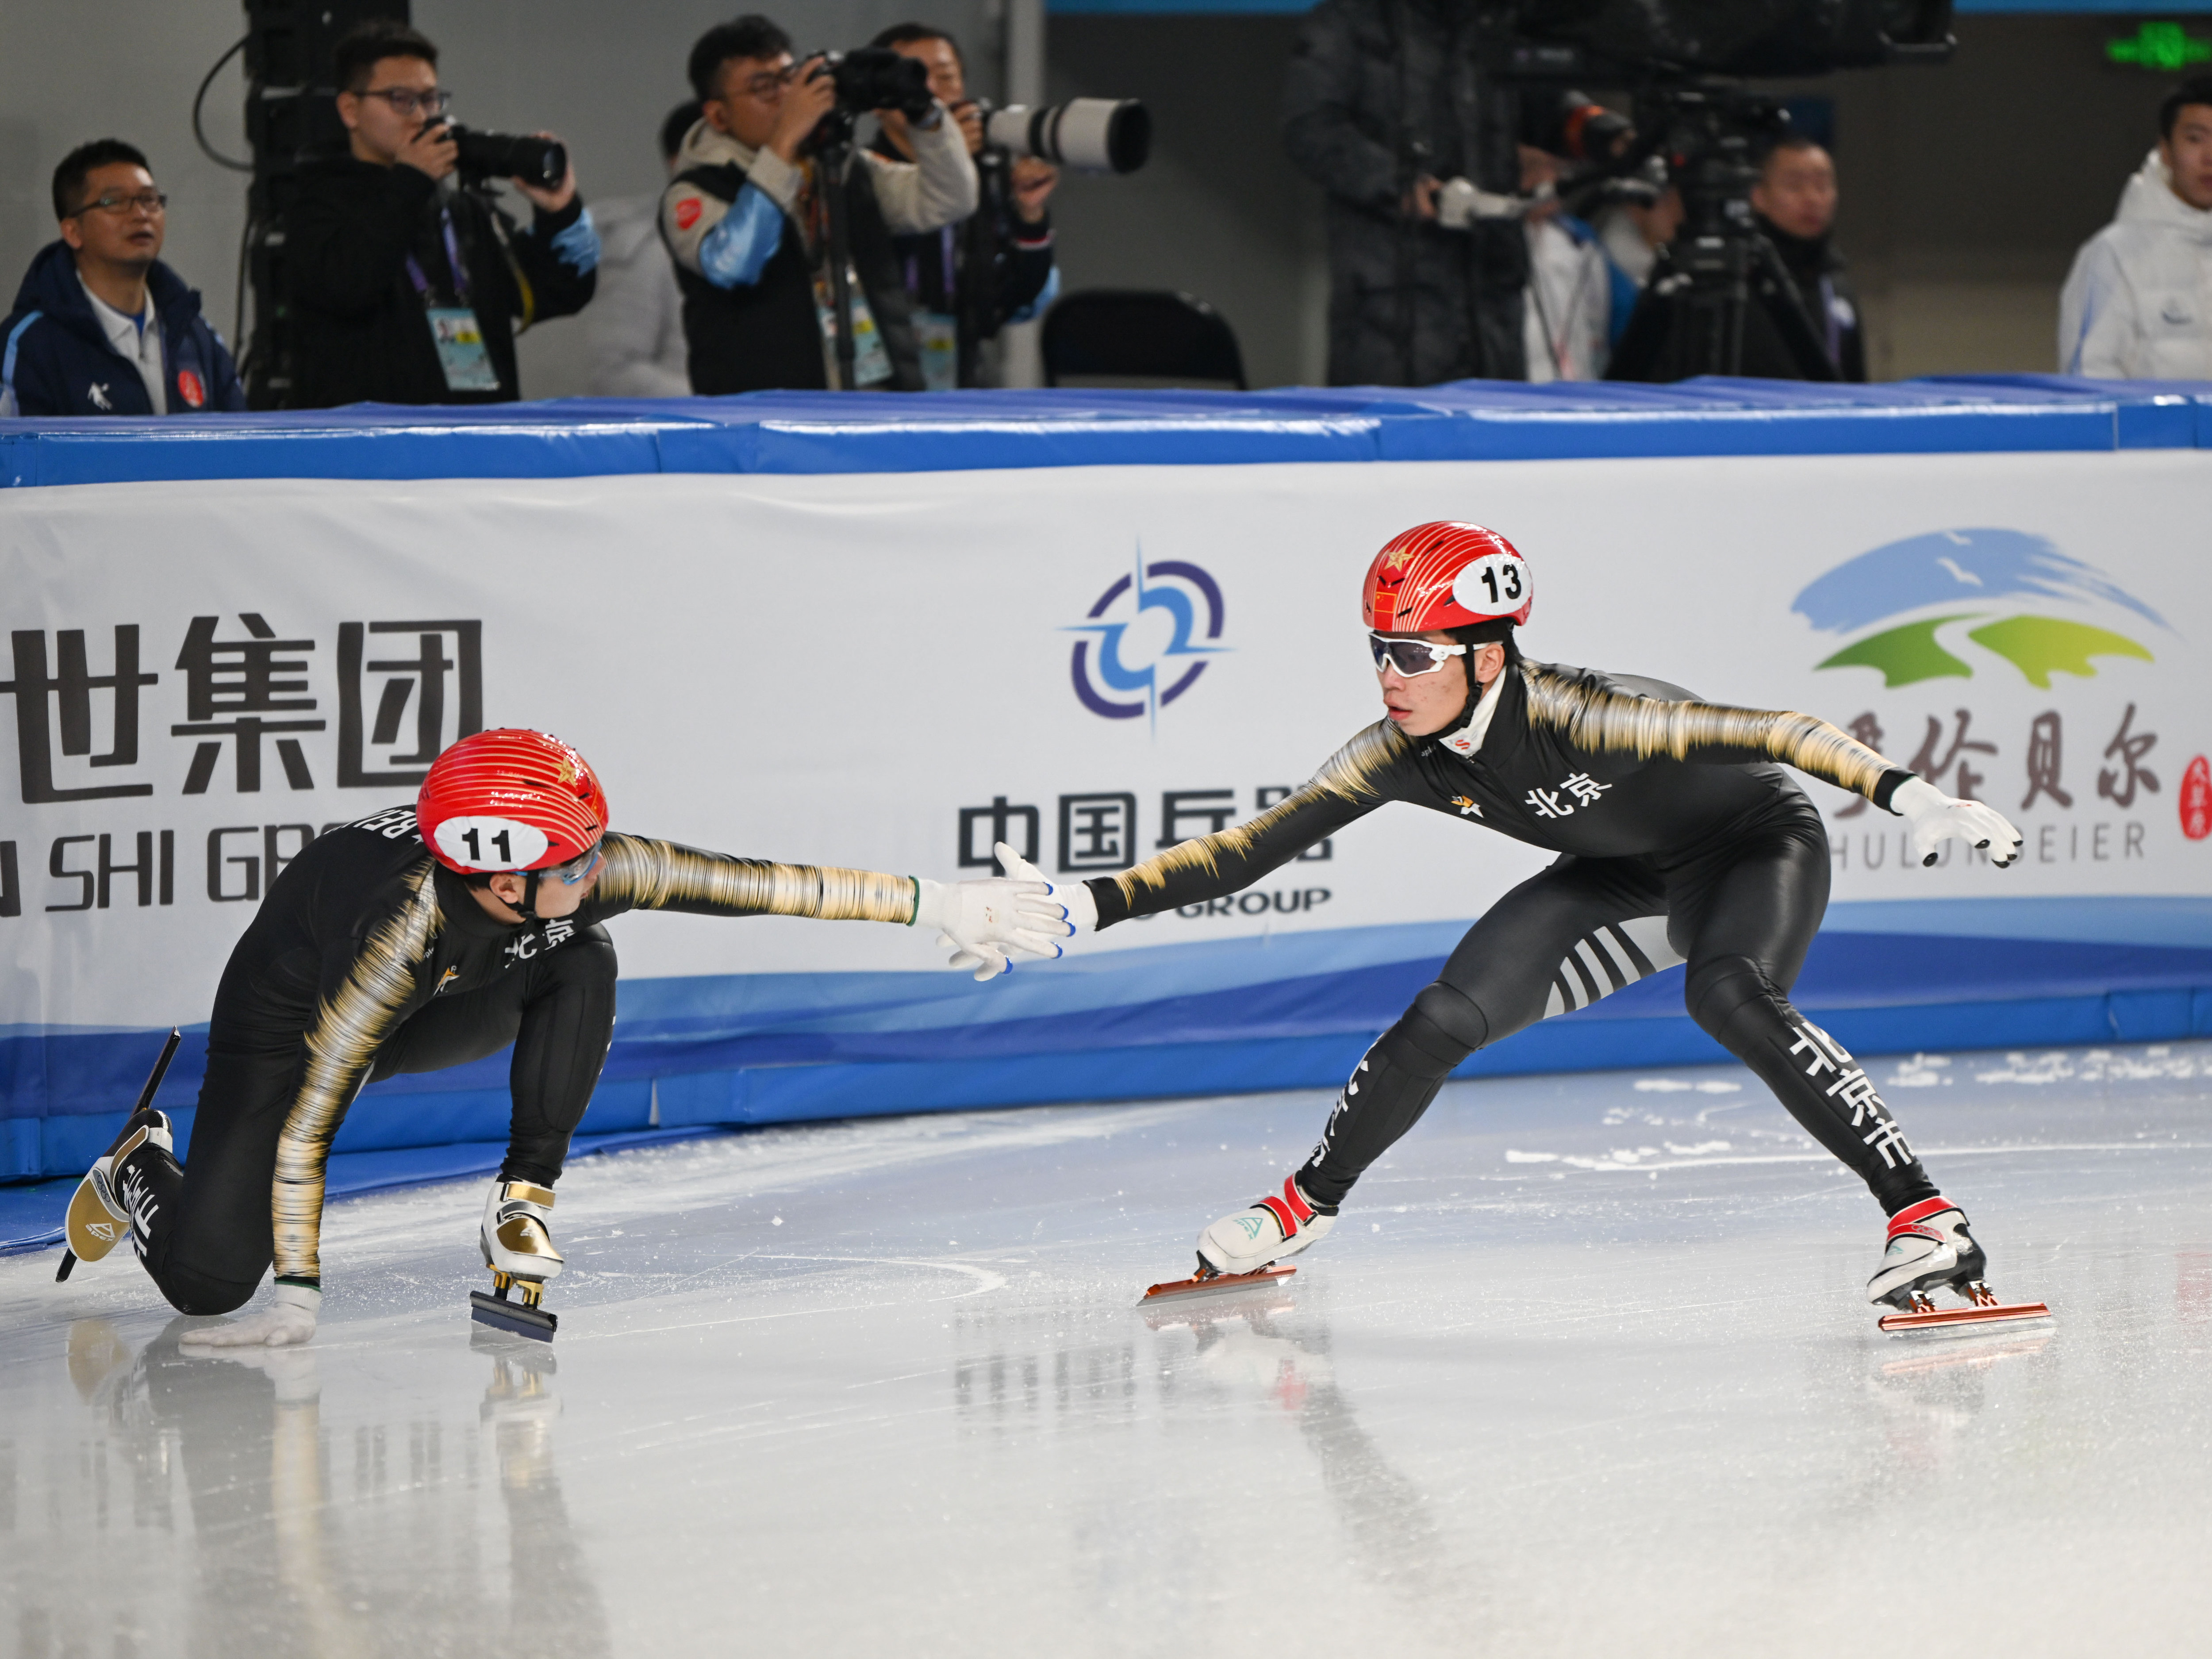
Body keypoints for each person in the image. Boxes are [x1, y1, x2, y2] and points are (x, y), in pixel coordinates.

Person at [998, 522, 2028, 1318]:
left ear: (1486, 656)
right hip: (1619, 870)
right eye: (1379, 651)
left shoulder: (1586, 714)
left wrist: (1905, 793)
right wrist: (1087, 903)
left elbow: (1775, 729)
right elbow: (1248, 847)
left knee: (1724, 992)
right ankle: (1299, 1207)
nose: (1389, 677)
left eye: (1413, 654)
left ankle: (1929, 1219)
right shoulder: (1393, 750)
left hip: (1752, 843)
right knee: (1444, 1013)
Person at [59, 728, 1069, 1348]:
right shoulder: (396, 931)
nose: (600, 869)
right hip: (292, 1036)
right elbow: (316, 1108)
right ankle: (138, 1164)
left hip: (444, 994)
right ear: (502, 879)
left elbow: (760, 883)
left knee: (582, 955)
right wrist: (303, 1294)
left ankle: (523, 1203)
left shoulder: (558, 876)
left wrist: (943, 903)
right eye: (576, 862)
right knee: (208, 1284)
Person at [287, 20, 598, 408]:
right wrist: (409, 182)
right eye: (401, 99)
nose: (422, 117)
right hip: (376, 448)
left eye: (431, 99)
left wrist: (560, 213)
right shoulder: (318, 203)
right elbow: (349, 285)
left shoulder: (458, 209)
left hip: (478, 436)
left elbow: (559, 293)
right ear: (351, 110)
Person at [661, 15, 977, 394]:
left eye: (788, 79)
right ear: (718, 114)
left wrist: (925, 115)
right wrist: (784, 144)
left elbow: (950, 200)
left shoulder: (838, 165)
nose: (788, 98)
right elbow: (734, 264)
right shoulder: (695, 191)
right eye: (764, 88)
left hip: (877, 399)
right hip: (768, 418)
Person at [868, 22, 1058, 391]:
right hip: (879, 377)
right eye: (914, 78)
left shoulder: (984, 173)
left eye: (947, 77)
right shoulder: (860, 174)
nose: (933, 94)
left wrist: (1029, 214)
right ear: (877, 101)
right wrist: (943, 160)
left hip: (964, 373)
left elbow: (1014, 298)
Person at [0, 140, 245, 418]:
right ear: (72, 232)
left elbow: (240, 446)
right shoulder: (29, 346)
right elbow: (15, 456)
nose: (141, 215)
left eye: (149, 200)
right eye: (114, 202)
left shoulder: (195, 334)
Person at [2058, 77, 2212, 379]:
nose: (2210, 157)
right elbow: (2090, 378)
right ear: (2165, 150)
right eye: (2195, 139)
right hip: (2155, 429)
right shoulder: (2114, 255)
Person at [584, 101, 699, 398]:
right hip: (689, 435)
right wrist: (717, 407)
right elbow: (614, 373)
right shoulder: (647, 248)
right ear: (680, 163)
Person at [1747, 134, 1865, 382]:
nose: (1812, 198)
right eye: (1795, 186)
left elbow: (1856, 384)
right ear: (1758, 196)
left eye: (1822, 186)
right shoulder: (1738, 282)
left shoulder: (1837, 287)